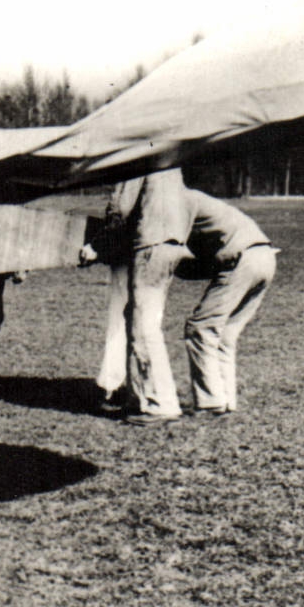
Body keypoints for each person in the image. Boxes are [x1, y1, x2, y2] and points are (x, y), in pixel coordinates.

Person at [95, 167, 192, 425]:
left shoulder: (138, 159)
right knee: (139, 321)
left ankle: (161, 404)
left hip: (149, 245)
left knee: (144, 328)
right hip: (173, 244)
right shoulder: (171, 162)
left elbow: (120, 210)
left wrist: (97, 245)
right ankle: (138, 399)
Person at [180, 187, 277, 416]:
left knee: (200, 328)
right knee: (225, 334)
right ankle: (226, 399)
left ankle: (211, 403)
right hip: (265, 256)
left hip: (242, 259)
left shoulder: (178, 201)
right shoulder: (199, 199)